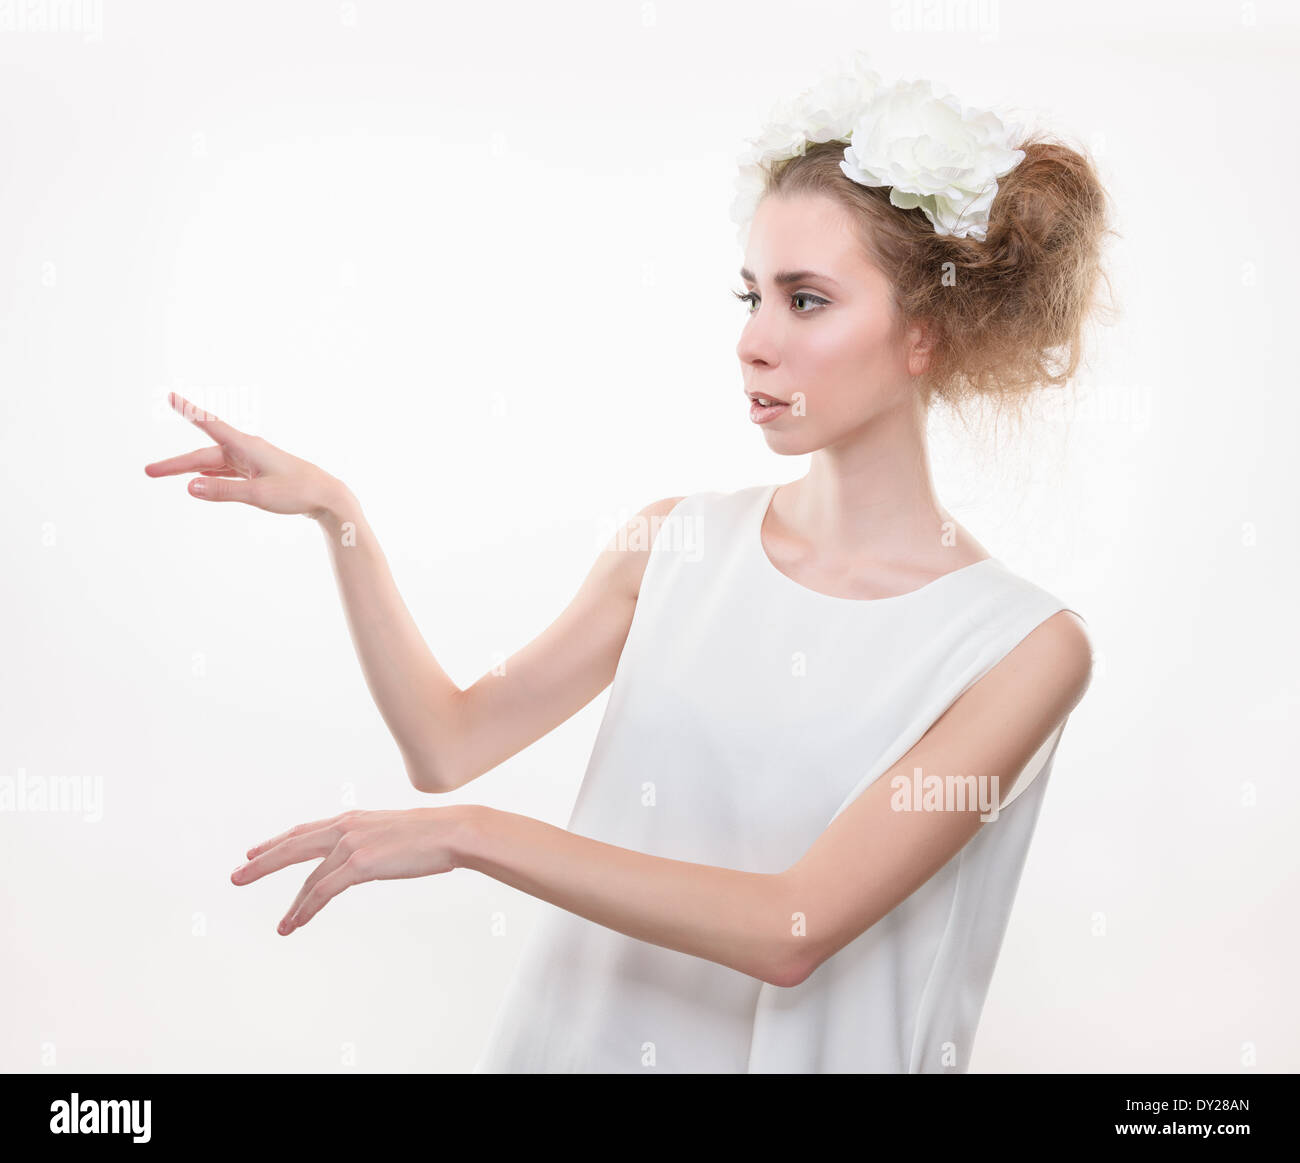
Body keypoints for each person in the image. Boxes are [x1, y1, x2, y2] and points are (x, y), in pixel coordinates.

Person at [143, 54, 1113, 1073]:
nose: (753, 341)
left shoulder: (1019, 650)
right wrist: (339, 517)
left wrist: (474, 835)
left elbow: (793, 927)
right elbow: (447, 740)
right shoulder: (674, 548)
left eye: (807, 300)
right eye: (750, 295)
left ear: (925, 333)